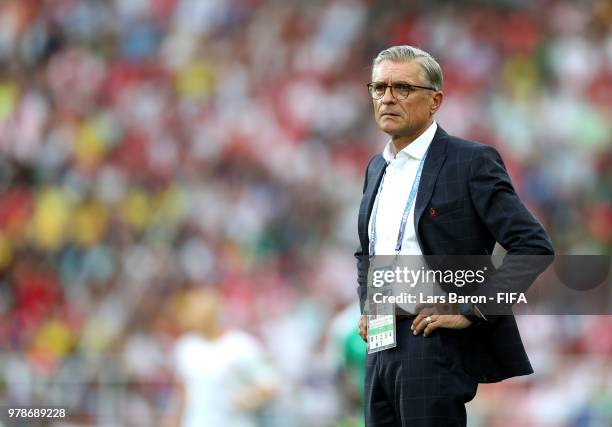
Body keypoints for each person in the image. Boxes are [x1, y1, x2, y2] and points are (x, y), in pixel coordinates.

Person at [354, 45, 554, 427]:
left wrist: (471, 309)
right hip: (380, 341)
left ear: (435, 100)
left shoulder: (469, 161)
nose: (388, 98)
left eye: (402, 88)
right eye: (379, 88)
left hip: (429, 339)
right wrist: (368, 303)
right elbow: (367, 252)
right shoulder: (376, 167)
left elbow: (534, 247)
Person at [164, 287, 278, 427]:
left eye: (195, 307)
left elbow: (270, 384)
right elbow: (182, 395)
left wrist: (247, 399)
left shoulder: (241, 345)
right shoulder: (185, 348)